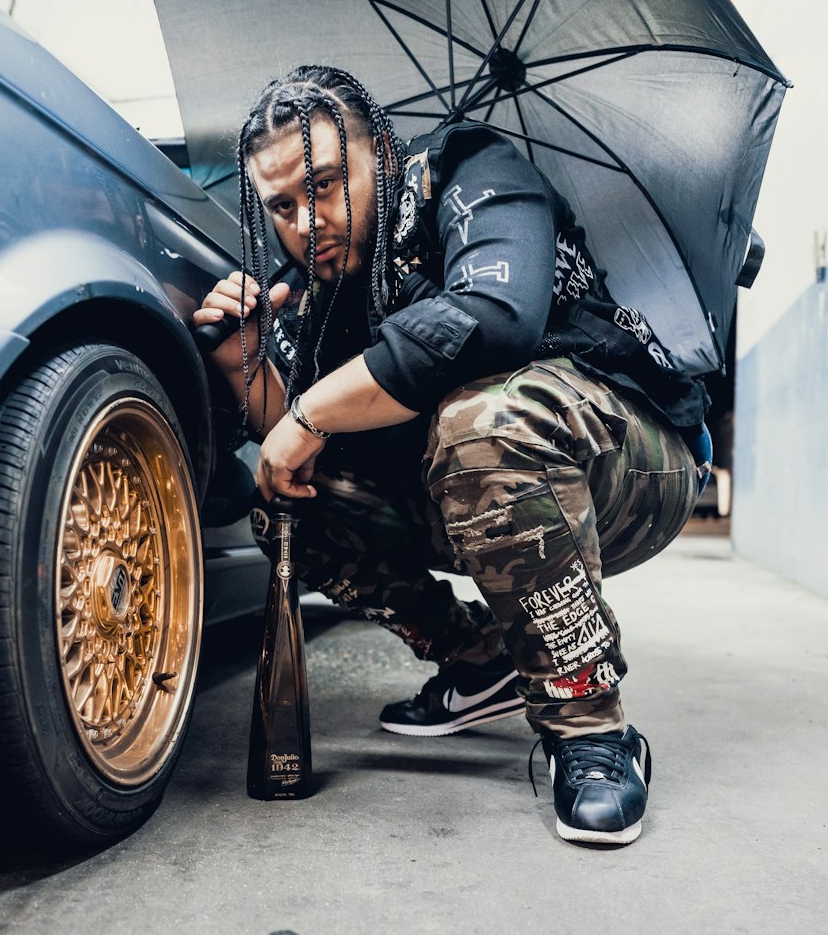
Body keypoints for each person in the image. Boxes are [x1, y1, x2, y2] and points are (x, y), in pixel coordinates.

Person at [194, 65, 711, 847]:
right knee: (288, 498)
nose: (307, 221)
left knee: (485, 419)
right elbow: (290, 447)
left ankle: (590, 728)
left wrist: (307, 411)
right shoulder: (308, 288)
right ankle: (480, 665)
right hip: (469, 492)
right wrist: (243, 359)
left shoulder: (473, 172)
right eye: (282, 206)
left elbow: (493, 318)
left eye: (327, 184)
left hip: (632, 464)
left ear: (384, 156)